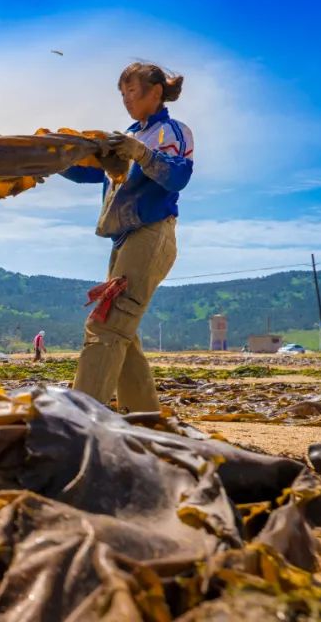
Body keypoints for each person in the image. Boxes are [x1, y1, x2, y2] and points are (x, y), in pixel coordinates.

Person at [61, 63, 193, 412]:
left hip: (151, 234)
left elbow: (177, 177)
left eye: (132, 91)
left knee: (105, 323)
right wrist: (51, 159)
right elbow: (93, 173)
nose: (126, 100)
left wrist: (142, 153)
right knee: (123, 331)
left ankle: (81, 419)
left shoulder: (172, 132)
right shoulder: (129, 134)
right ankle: (146, 418)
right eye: (122, 94)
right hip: (123, 241)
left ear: (156, 92)